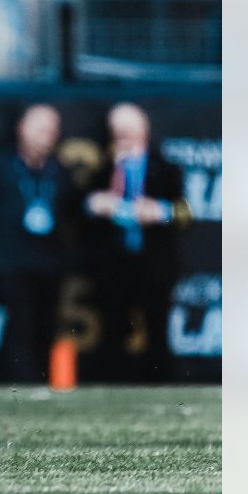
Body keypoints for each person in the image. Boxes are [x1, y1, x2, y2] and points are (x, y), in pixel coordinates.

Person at [83, 103, 190, 381]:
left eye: (129, 129)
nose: (123, 135)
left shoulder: (165, 167)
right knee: (112, 327)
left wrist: (160, 212)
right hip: (114, 264)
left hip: (153, 263)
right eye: (118, 130)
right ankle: (112, 386)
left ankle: (162, 385)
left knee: (157, 326)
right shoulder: (102, 169)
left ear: (144, 130)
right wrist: (94, 204)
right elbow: (77, 207)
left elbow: (185, 213)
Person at [0, 105, 75, 382]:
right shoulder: (0, 165)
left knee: (46, 324)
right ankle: (16, 381)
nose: (46, 136)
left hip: (49, 261)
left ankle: (42, 382)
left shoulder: (60, 171)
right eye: (40, 128)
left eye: (51, 130)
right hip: (12, 259)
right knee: (18, 323)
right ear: (21, 128)